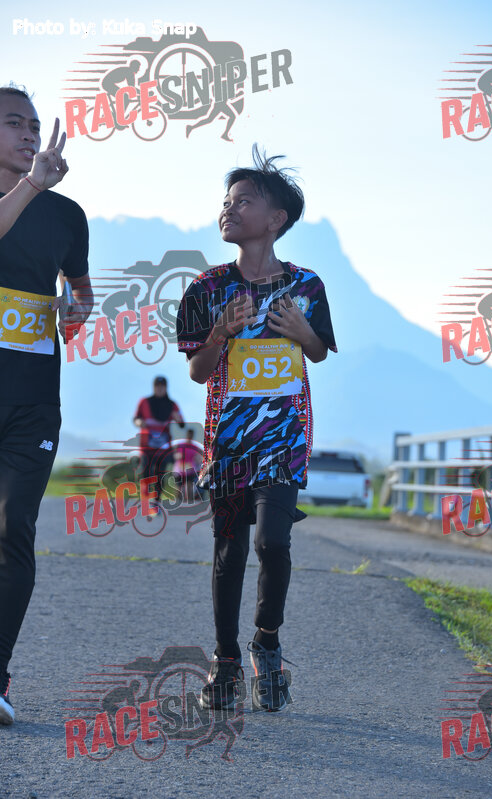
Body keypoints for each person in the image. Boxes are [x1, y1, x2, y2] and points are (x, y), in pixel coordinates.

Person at [177, 145, 337, 712]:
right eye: (227, 200)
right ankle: (224, 662)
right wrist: (220, 332)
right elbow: (198, 372)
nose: (229, 208)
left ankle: (266, 643)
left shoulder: (307, 286)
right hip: (228, 443)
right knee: (230, 551)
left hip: (285, 440)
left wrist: (302, 331)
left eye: (244, 201)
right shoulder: (206, 288)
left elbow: (318, 353)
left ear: (276, 219)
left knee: (273, 542)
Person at [0, 85, 93, 724]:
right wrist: (31, 185)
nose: (30, 134)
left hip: (33, 402)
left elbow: (82, 294)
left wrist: (73, 311)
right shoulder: (30, 194)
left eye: (34, 125)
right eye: (14, 123)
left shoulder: (66, 215)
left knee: (13, 529)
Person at [133, 376, 184, 510]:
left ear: (166, 388)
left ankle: (156, 502)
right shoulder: (144, 402)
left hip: (163, 447)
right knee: (146, 472)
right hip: (147, 446)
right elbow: (136, 418)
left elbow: (182, 423)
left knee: (160, 474)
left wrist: (178, 419)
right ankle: (145, 497)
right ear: (153, 387)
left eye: (162, 386)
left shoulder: (172, 405)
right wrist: (139, 422)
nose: (160, 389)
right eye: (157, 386)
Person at [173, 428, 203, 503]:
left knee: (189, 486)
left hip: (190, 469)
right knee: (179, 488)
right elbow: (175, 455)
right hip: (179, 469)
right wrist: (179, 456)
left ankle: (189, 503)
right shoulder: (181, 445)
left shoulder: (194, 447)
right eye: (189, 434)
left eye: (191, 435)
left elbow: (199, 456)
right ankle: (179, 502)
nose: (190, 436)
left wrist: (199, 460)